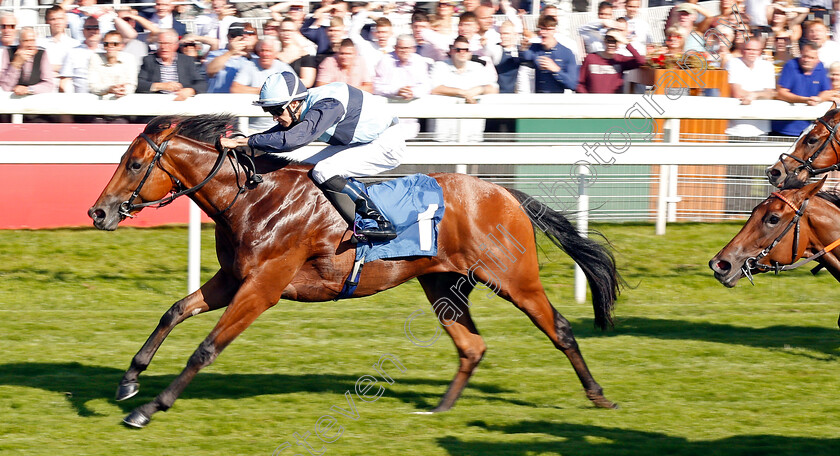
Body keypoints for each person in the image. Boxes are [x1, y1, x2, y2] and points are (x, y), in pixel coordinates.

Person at [219, 71, 405, 241]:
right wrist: (245, 142)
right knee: (302, 167)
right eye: (270, 112)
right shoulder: (301, 105)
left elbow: (292, 140)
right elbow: (277, 134)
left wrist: (241, 142)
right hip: (364, 141)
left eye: (276, 111)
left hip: (385, 143)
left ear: (293, 104)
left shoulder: (327, 105)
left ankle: (378, 223)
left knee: (324, 171)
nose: (274, 117)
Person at [230, 36, 293, 133]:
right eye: (262, 50)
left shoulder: (283, 68)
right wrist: (262, 91)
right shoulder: (249, 66)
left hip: (277, 126)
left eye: (269, 51)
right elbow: (235, 88)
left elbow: (294, 89)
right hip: (250, 127)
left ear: (276, 53)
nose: (265, 54)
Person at [772, 41, 833, 136]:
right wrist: (805, 100)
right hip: (785, 129)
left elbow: (827, 92)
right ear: (800, 54)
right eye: (805, 56)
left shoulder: (820, 67)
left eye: (811, 57)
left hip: (809, 130)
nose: (807, 60)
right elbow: (781, 93)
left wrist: (819, 99)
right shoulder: (790, 66)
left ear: (817, 59)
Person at [726, 37, 777, 136]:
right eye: (748, 49)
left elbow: (770, 94)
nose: (752, 52)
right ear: (742, 50)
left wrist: (754, 95)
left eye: (756, 50)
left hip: (761, 128)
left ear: (760, 51)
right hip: (736, 128)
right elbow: (737, 92)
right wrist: (761, 94)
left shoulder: (767, 66)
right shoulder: (733, 63)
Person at [137, 28, 207, 99]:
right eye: (161, 43)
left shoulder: (186, 61)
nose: (164, 47)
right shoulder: (149, 60)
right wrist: (161, 86)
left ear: (176, 45)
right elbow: (139, 84)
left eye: (168, 43)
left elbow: (201, 83)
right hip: (157, 101)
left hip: (181, 100)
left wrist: (191, 90)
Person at [521, 15, 578, 93]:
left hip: (556, 101)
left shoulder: (567, 53)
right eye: (541, 29)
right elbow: (522, 58)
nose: (542, 32)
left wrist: (556, 70)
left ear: (554, 30)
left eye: (547, 29)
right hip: (537, 100)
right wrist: (523, 48)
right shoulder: (534, 48)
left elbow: (573, 85)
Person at [576, 29, 645, 93]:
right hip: (592, 102)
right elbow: (580, 83)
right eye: (608, 40)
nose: (611, 44)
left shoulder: (621, 60)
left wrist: (627, 43)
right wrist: (586, 98)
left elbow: (641, 61)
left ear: (619, 43)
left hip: (613, 102)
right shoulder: (591, 58)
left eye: (615, 41)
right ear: (604, 41)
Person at [0, 26, 55, 95]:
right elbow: (6, 87)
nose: (30, 45)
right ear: (19, 43)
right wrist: (16, 64)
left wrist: (29, 89)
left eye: (32, 40)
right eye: (26, 41)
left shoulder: (41, 53)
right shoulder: (8, 52)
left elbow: (49, 84)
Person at [204, 22, 256, 93]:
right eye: (233, 35)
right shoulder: (216, 54)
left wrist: (247, 53)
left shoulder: (254, 58)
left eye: (241, 35)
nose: (237, 38)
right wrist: (231, 52)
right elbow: (210, 70)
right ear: (228, 37)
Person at [88, 30, 137, 99]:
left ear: (121, 46)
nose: (110, 46)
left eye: (115, 44)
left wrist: (123, 90)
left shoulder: (129, 59)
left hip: (123, 100)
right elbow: (93, 86)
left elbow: (132, 84)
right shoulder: (95, 58)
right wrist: (109, 89)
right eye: (106, 44)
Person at [59, 16, 101, 94]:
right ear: (83, 31)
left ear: (99, 30)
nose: (92, 31)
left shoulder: (106, 50)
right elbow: (64, 82)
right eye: (88, 28)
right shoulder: (73, 52)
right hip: (81, 98)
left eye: (95, 28)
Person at [39, 5, 79, 75]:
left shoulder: (75, 44)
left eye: (60, 18)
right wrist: (62, 67)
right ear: (47, 21)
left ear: (66, 20)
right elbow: (37, 67)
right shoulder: (40, 43)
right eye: (53, 19)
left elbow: (75, 68)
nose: (57, 22)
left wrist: (51, 67)